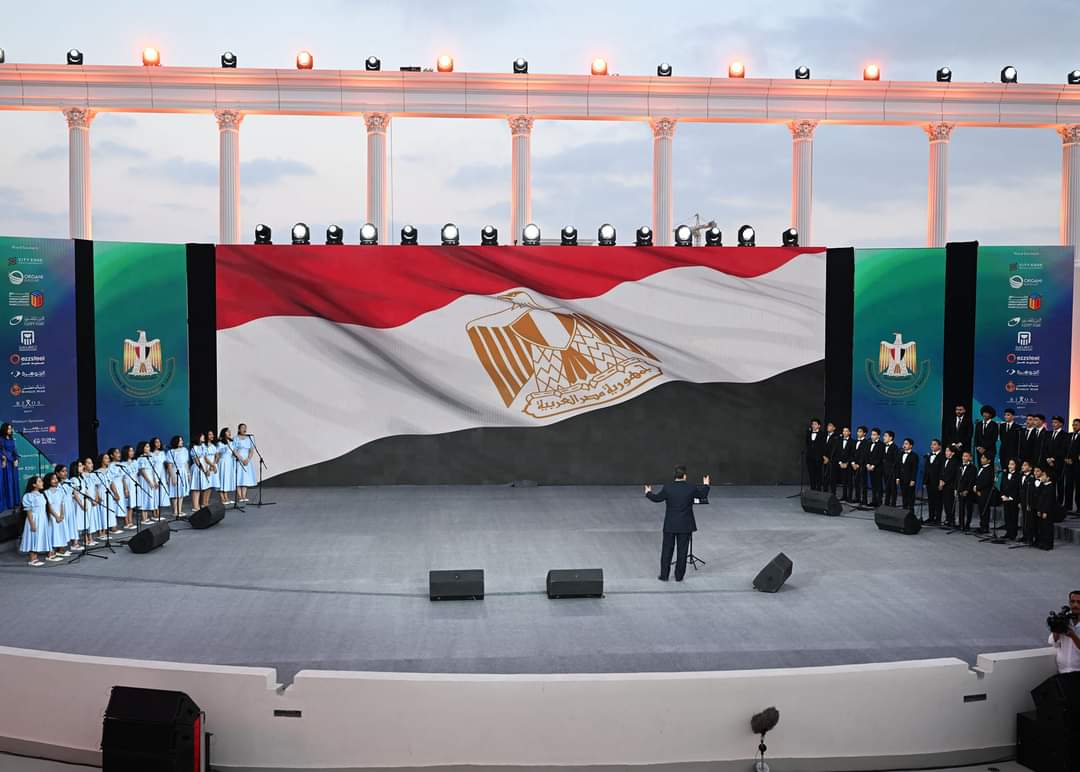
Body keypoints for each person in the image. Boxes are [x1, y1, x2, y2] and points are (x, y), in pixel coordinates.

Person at [644, 465, 710, 582]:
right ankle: (679, 577)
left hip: (670, 525)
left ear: (674, 475)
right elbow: (703, 495)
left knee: (667, 551)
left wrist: (648, 492)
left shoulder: (668, 487)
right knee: (682, 551)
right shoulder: (691, 488)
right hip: (685, 525)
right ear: (684, 476)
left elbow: (657, 498)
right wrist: (706, 485)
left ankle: (664, 576)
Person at [1048, 591, 1080, 767]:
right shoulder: (1064, 620)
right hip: (1063, 675)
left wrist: (1073, 634)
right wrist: (1057, 630)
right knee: (1063, 717)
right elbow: (1053, 642)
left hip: (1077, 675)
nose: (1075, 605)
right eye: (1072, 601)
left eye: (1078, 602)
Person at [18, 475, 49, 566]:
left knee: (38, 537)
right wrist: (32, 524)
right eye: (39, 481)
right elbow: (29, 511)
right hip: (34, 519)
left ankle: (36, 557)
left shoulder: (41, 495)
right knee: (33, 537)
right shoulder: (29, 496)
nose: (42, 483)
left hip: (42, 519)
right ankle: (32, 558)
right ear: (34, 484)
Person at [42, 471, 70, 560]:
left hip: (60, 515)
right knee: (52, 532)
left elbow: (62, 503)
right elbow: (49, 506)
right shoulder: (46, 492)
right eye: (53, 479)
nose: (55, 480)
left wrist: (62, 515)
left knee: (61, 531)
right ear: (48, 481)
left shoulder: (60, 491)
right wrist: (56, 516)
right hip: (52, 516)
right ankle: (51, 551)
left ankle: (60, 549)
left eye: (56, 479)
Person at [165, 435, 191, 517]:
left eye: (182, 440)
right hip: (175, 472)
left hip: (183, 472)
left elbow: (186, 463)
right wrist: (172, 477)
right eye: (180, 440)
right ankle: (175, 511)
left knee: (181, 492)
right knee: (175, 492)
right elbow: (169, 466)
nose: (182, 442)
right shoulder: (171, 452)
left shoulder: (185, 450)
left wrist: (188, 473)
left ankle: (180, 510)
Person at [1034, 465, 1057, 550]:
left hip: (1047, 511)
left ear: (1048, 478)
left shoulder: (1051, 487)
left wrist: (1045, 511)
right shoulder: (1042, 486)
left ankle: (1049, 544)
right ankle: (1042, 542)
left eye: (1043, 475)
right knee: (1042, 527)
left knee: (1048, 528)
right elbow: (1039, 498)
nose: (1041, 477)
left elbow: (1049, 501)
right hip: (1041, 509)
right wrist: (1039, 509)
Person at [136, 441, 159, 523]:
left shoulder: (150, 457)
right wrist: (149, 481)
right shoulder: (140, 458)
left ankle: (149, 515)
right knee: (145, 496)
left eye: (149, 446)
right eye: (146, 447)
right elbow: (142, 471)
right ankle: (144, 518)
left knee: (151, 496)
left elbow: (152, 470)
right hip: (144, 479)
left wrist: (154, 480)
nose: (148, 448)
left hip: (151, 477)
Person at [234, 423, 257, 503]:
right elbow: (235, 450)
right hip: (239, 459)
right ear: (239, 429)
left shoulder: (250, 438)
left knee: (245, 478)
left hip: (247, 460)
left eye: (245, 428)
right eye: (242, 428)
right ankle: (240, 496)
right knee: (238, 477)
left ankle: (244, 496)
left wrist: (248, 459)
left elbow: (251, 450)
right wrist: (241, 459)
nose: (244, 429)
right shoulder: (235, 438)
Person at [973, 453, 996, 533]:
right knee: (981, 509)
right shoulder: (981, 468)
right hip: (979, 492)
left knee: (985, 510)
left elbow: (986, 482)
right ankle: (982, 525)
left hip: (985, 493)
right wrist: (975, 487)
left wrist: (978, 488)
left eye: (983, 458)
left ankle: (985, 527)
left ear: (988, 460)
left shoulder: (989, 469)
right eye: (981, 458)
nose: (981, 459)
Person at [923, 439, 944, 524]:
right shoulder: (929, 456)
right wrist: (925, 481)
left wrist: (941, 482)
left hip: (937, 482)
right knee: (930, 500)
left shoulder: (942, 456)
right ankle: (931, 517)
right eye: (931, 444)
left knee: (938, 501)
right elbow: (926, 469)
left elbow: (942, 470)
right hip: (929, 482)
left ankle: (938, 519)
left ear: (939, 446)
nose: (932, 446)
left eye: (934, 444)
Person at [999, 458, 1021, 540]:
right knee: (1007, 516)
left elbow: (1017, 488)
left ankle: (1013, 534)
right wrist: (1002, 495)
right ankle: (1008, 532)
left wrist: (1010, 497)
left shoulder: (1018, 475)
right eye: (1009, 464)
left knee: (1013, 516)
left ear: (1016, 466)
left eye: (1012, 464)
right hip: (1005, 499)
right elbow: (1002, 486)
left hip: (1013, 500)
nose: (1010, 466)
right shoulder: (1005, 474)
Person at [0, 422, 20, 511]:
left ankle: (15, 501)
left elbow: (15, 450)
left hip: (13, 464)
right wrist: (11, 459)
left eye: (11, 428)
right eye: (8, 428)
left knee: (14, 481)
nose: (10, 430)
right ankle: (9, 503)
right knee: (8, 482)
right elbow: (2, 452)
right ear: (4, 429)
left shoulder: (11, 439)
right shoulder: (1, 439)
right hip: (6, 463)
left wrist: (16, 459)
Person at [189, 433, 211, 510]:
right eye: (202, 436)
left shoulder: (203, 446)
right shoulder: (194, 448)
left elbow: (205, 458)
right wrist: (203, 470)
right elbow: (197, 460)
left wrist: (207, 469)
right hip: (197, 468)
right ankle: (195, 506)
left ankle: (201, 504)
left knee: (202, 487)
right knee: (196, 488)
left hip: (204, 467)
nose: (204, 437)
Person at [1048, 416, 1069, 496]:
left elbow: (1063, 450)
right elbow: (1045, 447)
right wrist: (1048, 458)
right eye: (1053, 422)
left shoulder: (1065, 435)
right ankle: (1051, 501)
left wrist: (1053, 459)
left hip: (1059, 464)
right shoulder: (1048, 434)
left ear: (1061, 424)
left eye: (1055, 422)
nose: (1053, 424)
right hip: (1048, 464)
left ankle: (1060, 502)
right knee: (1050, 485)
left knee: (1060, 485)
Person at [956, 450, 977, 531]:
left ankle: (967, 524)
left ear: (970, 458)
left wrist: (967, 490)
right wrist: (956, 489)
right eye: (963, 456)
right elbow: (957, 479)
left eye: (966, 456)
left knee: (969, 508)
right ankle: (961, 524)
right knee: (961, 508)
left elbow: (972, 480)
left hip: (969, 492)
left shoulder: (973, 468)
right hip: (960, 490)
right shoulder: (959, 466)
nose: (964, 458)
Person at [150, 437, 171, 513]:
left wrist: (168, 476)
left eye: (159, 442)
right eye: (156, 442)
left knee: (161, 493)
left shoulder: (162, 453)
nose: (158, 444)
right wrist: (153, 479)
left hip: (162, 475)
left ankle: (158, 512)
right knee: (155, 492)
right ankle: (154, 512)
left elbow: (165, 464)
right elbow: (151, 467)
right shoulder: (151, 454)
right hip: (154, 474)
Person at [898, 438, 918, 513]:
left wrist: (913, 479)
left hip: (909, 479)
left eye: (906, 444)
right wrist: (898, 477)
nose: (904, 445)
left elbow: (914, 469)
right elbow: (898, 467)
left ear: (911, 446)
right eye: (904, 444)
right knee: (904, 495)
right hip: (902, 478)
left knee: (910, 496)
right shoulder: (900, 454)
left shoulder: (914, 455)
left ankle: (911, 511)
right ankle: (904, 510)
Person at [940, 446, 958, 527]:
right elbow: (942, 471)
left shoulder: (955, 462)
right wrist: (941, 480)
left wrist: (944, 481)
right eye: (946, 451)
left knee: (950, 503)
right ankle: (947, 519)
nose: (946, 452)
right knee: (946, 503)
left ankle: (951, 520)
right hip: (944, 484)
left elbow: (952, 474)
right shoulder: (944, 460)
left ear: (953, 453)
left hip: (950, 485)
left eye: (948, 451)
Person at [218, 427, 237, 505]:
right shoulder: (220, 442)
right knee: (222, 479)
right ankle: (222, 499)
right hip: (223, 462)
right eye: (227, 432)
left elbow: (233, 452)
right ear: (224, 433)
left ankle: (226, 498)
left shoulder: (232, 442)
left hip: (230, 462)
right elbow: (218, 453)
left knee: (227, 480)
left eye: (230, 431)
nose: (229, 433)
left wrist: (234, 456)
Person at [866, 428, 885, 506]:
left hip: (878, 468)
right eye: (872, 434)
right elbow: (867, 455)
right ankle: (874, 500)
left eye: (874, 435)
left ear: (878, 436)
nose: (872, 436)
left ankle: (879, 501)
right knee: (873, 485)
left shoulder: (881, 445)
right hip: (870, 467)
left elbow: (880, 457)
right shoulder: (869, 443)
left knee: (879, 485)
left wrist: (873, 465)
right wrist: (868, 464)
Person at [1020, 460, 1037, 545]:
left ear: (1030, 468)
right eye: (1022, 465)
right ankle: (1025, 535)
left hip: (1029, 502)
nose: (1023, 466)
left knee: (1030, 520)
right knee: (1024, 519)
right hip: (1023, 501)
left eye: (1025, 465)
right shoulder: (1021, 476)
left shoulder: (1032, 478)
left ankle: (1030, 537)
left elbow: (1032, 492)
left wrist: (1029, 503)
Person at [804, 418, 824, 491]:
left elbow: (823, 446)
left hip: (818, 457)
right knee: (811, 473)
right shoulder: (808, 433)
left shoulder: (822, 434)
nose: (813, 425)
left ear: (819, 426)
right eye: (812, 424)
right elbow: (807, 444)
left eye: (815, 424)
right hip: (809, 457)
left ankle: (818, 489)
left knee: (818, 474)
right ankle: (812, 489)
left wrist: (822, 455)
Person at [851, 426, 869, 505]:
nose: (858, 433)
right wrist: (853, 463)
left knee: (863, 483)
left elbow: (864, 455)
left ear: (864, 433)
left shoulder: (866, 443)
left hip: (862, 466)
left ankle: (864, 499)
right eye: (858, 431)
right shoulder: (854, 442)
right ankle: (857, 497)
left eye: (860, 431)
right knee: (856, 482)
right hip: (854, 465)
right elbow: (852, 453)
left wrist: (859, 464)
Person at [835, 426, 854, 501]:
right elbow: (837, 453)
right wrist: (840, 462)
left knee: (849, 481)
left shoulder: (852, 441)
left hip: (848, 464)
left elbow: (852, 454)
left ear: (849, 432)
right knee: (844, 481)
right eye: (843, 431)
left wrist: (847, 463)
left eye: (846, 431)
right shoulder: (839, 441)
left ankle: (849, 497)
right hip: (841, 464)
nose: (844, 432)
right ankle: (844, 496)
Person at [881, 431, 899, 507]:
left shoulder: (895, 448)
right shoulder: (883, 446)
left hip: (892, 472)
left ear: (891, 438)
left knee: (893, 489)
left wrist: (895, 474)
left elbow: (896, 462)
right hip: (885, 471)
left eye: (885, 436)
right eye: (884, 436)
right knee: (887, 488)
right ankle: (886, 504)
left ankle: (893, 505)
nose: (883, 437)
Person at [1066, 419, 1080, 514]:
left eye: (1076, 425)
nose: (1074, 426)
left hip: (1078, 465)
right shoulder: (1070, 435)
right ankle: (1068, 506)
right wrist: (1065, 458)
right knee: (1068, 486)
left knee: (1078, 487)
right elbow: (1065, 448)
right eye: (1073, 425)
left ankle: (1079, 508)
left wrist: (1073, 459)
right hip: (1068, 465)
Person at [822, 422, 839, 494]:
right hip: (824, 459)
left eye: (830, 425)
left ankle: (833, 494)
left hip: (832, 460)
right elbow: (821, 447)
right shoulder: (824, 436)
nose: (828, 426)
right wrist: (823, 456)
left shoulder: (836, 437)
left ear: (834, 428)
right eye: (828, 425)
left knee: (832, 478)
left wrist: (828, 458)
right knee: (824, 477)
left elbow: (834, 449)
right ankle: (824, 493)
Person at [205, 429, 221, 498]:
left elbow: (217, 456)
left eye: (212, 434)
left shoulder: (214, 445)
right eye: (210, 434)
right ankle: (203, 502)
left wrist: (214, 465)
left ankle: (206, 502)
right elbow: (205, 457)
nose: (212, 436)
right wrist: (211, 466)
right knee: (206, 485)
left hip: (213, 465)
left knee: (211, 485)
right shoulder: (204, 445)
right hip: (206, 465)